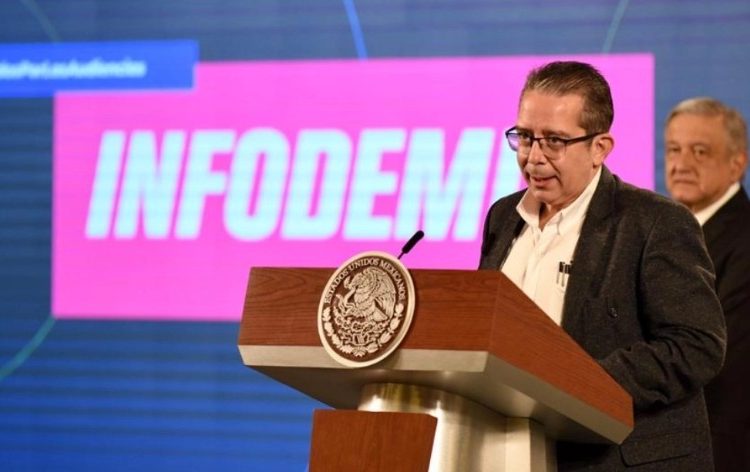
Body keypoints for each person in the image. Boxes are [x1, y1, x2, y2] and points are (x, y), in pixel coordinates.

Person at [479, 61, 726, 471]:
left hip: (619, 458)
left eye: (554, 141)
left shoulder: (656, 222)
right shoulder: (502, 217)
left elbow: (697, 345)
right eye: (525, 137)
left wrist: (581, 384)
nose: (534, 157)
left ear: (600, 148)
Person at [664, 97, 750, 472]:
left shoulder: (744, 241)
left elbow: (722, 361)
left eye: (700, 151)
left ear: (737, 163)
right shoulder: (669, 234)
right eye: (674, 149)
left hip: (720, 447)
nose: (682, 164)